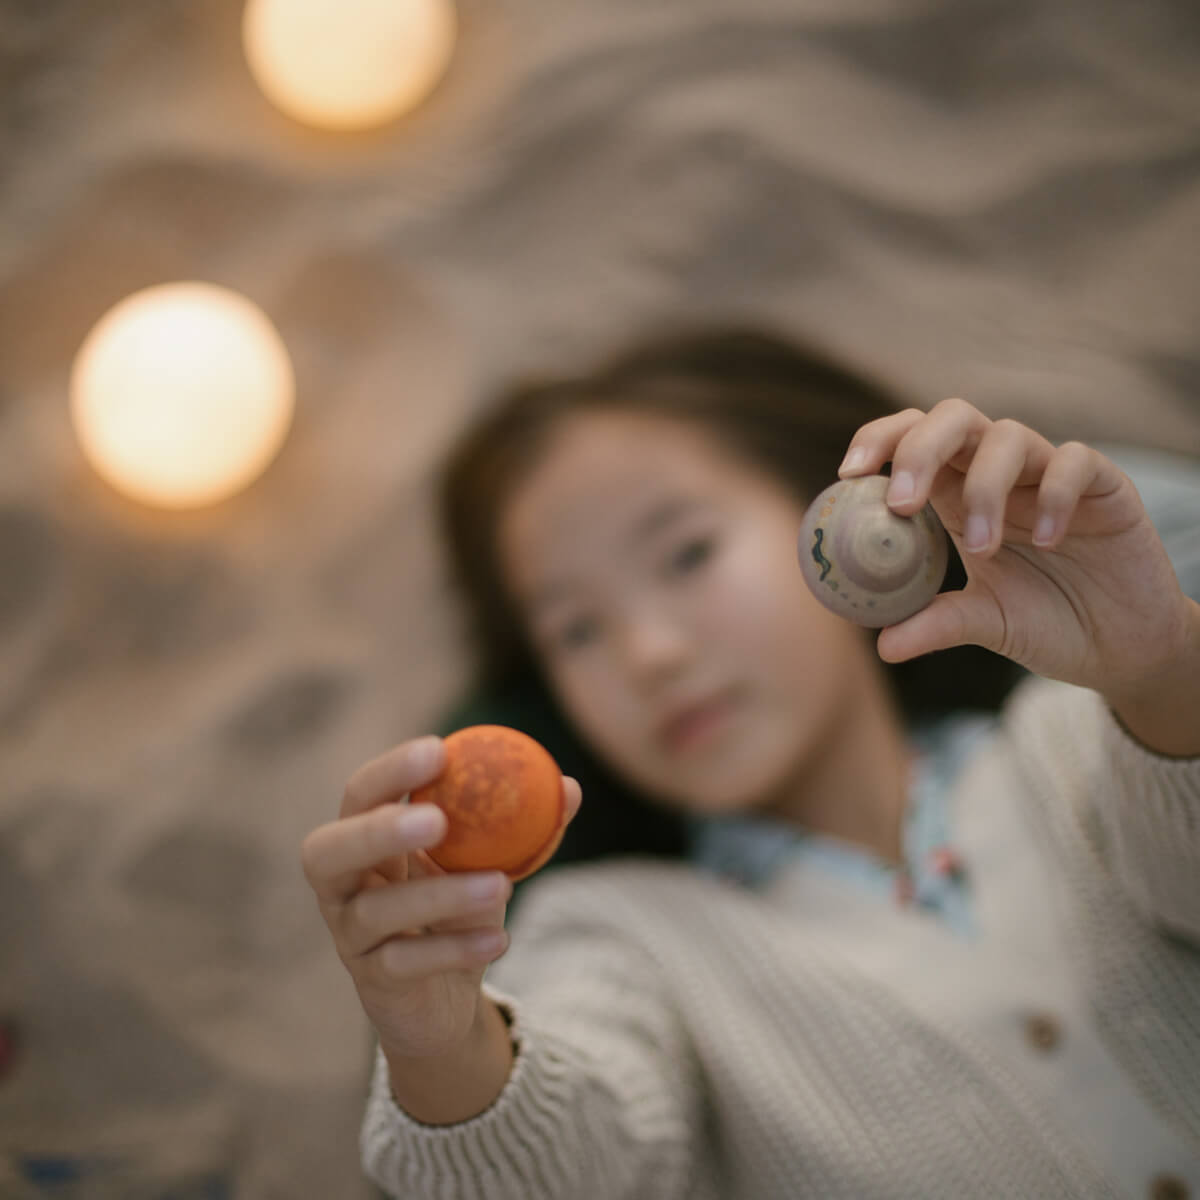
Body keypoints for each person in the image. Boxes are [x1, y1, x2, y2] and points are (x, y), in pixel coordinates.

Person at [300, 327, 1200, 1199]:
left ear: (848, 518)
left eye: (688, 553)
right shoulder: (616, 936)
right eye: (574, 629)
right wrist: (441, 1045)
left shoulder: (1083, 742)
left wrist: (1164, 668)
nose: (646, 653)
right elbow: (578, 1160)